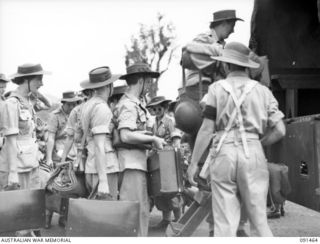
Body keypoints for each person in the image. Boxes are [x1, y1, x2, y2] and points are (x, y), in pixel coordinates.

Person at [187, 42, 286, 236]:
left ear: (226, 65)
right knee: (259, 221)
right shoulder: (263, 91)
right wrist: (258, 143)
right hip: (253, 152)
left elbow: (207, 129)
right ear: (247, 66)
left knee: (225, 224)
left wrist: (193, 164)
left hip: (224, 153)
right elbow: (280, 130)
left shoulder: (216, 89)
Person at [114, 62, 166, 236]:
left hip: (137, 163)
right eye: (148, 81)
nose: (149, 85)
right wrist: (152, 138)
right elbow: (125, 135)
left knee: (141, 210)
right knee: (134, 213)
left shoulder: (135, 103)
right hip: (131, 165)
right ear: (142, 81)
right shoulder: (128, 105)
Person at [0, 63, 50, 236]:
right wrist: (12, 173)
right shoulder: (11, 104)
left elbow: (48, 105)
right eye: (39, 79)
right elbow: (11, 140)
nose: (42, 83)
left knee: (31, 215)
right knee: (19, 223)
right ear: (26, 80)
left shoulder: (27, 102)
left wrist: (35, 93)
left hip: (31, 165)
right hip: (18, 169)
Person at [181, 9, 243, 103]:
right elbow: (187, 47)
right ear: (224, 24)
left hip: (209, 87)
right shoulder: (205, 38)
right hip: (198, 88)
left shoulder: (221, 43)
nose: (233, 30)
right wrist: (221, 52)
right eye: (232, 26)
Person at [80, 66, 120, 200]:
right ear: (110, 85)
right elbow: (99, 145)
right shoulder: (102, 108)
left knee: (96, 212)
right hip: (104, 167)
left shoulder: (87, 105)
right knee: (108, 212)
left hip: (91, 164)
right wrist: (103, 181)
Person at [147, 96, 182, 229]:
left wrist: (176, 157)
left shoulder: (170, 121)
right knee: (160, 190)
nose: (156, 110)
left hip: (168, 158)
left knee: (172, 190)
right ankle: (166, 220)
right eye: (154, 108)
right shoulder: (154, 122)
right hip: (156, 159)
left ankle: (179, 219)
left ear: (165, 108)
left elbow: (176, 140)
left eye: (159, 108)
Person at [46, 91, 81, 168]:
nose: (71, 107)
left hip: (75, 149)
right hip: (60, 149)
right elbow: (51, 137)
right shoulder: (55, 116)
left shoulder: (78, 114)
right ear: (63, 103)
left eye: (74, 104)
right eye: (69, 105)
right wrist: (49, 159)